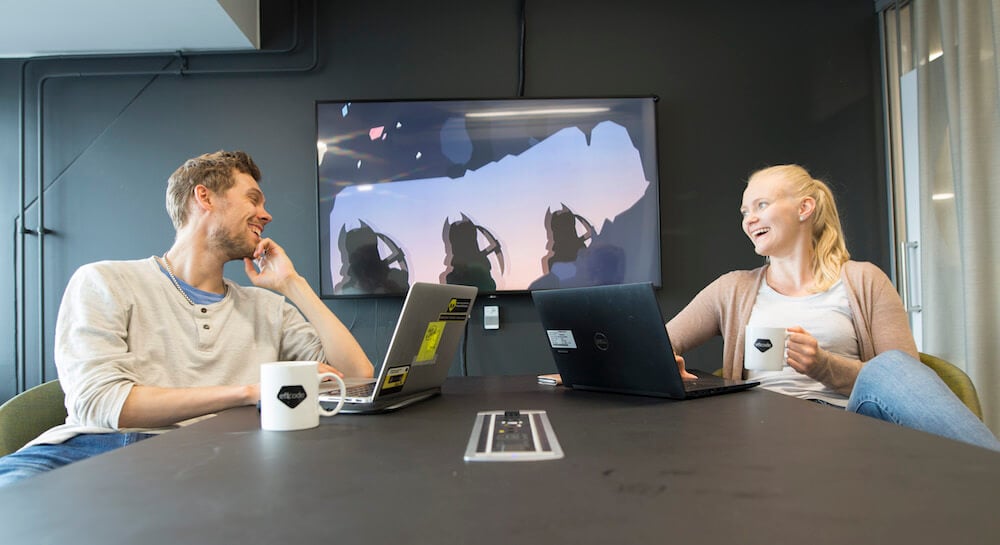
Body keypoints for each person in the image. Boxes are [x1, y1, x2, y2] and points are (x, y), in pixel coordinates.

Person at [0, 150, 375, 486]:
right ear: (204, 196)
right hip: (88, 452)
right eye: (252, 198)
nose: (266, 214)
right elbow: (102, 404)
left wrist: (293, 284)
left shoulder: (269, 308)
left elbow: (357, 376)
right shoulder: (104, 281)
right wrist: (250, 393)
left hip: (210, 457)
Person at [667, 164, 1000, 451]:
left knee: (892, 365)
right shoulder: (732, 288)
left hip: (853, 426)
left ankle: (988, 472)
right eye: (744, 212)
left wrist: (824, 365)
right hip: (764, 431)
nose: (749, 219)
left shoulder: (864, 280)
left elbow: (904, 381)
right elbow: (658, 343)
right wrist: (670, 372)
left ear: (804, 208)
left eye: (761, 205)